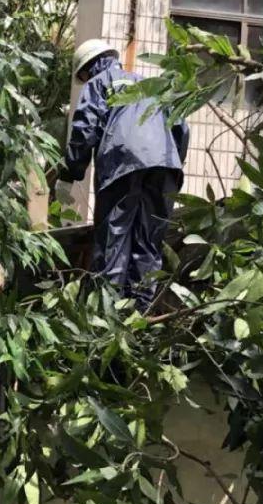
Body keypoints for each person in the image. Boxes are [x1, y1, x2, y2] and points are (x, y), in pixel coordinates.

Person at [59, 38, 189, 309]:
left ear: (88, 69)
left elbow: (85, 129)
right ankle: (139, 314)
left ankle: (107, 315)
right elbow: (181, 127)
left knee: (113, 242)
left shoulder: (99, 82)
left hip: (122, 164)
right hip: (165, 166)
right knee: (149, 242)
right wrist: (168, 161)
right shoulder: (149, 84)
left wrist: (71, 172)